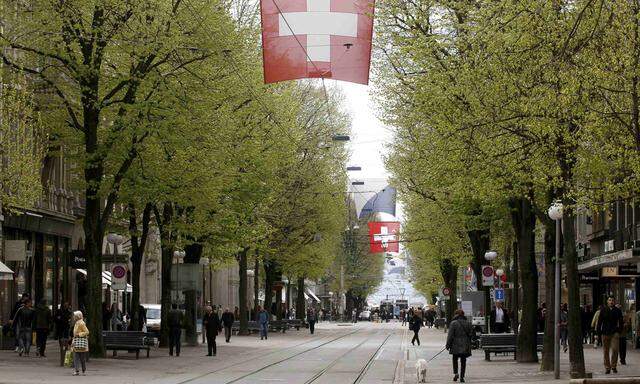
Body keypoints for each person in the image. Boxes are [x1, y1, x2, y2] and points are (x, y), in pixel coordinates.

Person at [596, 296, 623, 374]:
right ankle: (607, 367)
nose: (611, 302)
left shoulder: (617, 310)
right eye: (609, 300)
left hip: (615, 333)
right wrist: (598, 333)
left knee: (615, 349)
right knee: (606, 351)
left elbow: (621, 321)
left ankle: (613, 366)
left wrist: (619, 331)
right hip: (605, 332)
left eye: (612, 300)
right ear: (607, 302)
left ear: (614, 302)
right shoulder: (603, 310)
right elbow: (599, 322)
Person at [446, 309, 473, 383]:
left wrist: (448, 345)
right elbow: (471, 334)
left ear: (456, 315)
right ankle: (462, 377)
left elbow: (450, 336)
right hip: (465, 345)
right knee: (463, 361)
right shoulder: (468, 323)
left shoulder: (453, 323)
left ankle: (456, 373)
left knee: (455, 359)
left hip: (455, 345)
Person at [71, 310, 89, 376]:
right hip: (76, 342)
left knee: (82, 358)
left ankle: (83, 370)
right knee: (76, 358)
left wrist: (79, 334)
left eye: (74, 316)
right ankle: (77, 370)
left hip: (80, 343)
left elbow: (87, 332)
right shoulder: (76, 323)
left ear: (77, 316)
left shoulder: (81, 323)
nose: (73, 317)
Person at [54, 302, 72, 367]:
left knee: (66, 337)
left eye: (67, 305)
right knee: (61, 337)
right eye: (65, 305)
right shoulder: (59, 311)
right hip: (61, 327)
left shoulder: (69, 312)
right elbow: (55, 318)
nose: (66, 306)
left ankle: (65, 346)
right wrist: (58, 319)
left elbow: (70, 318)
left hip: (66, 327)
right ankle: (62, 346)